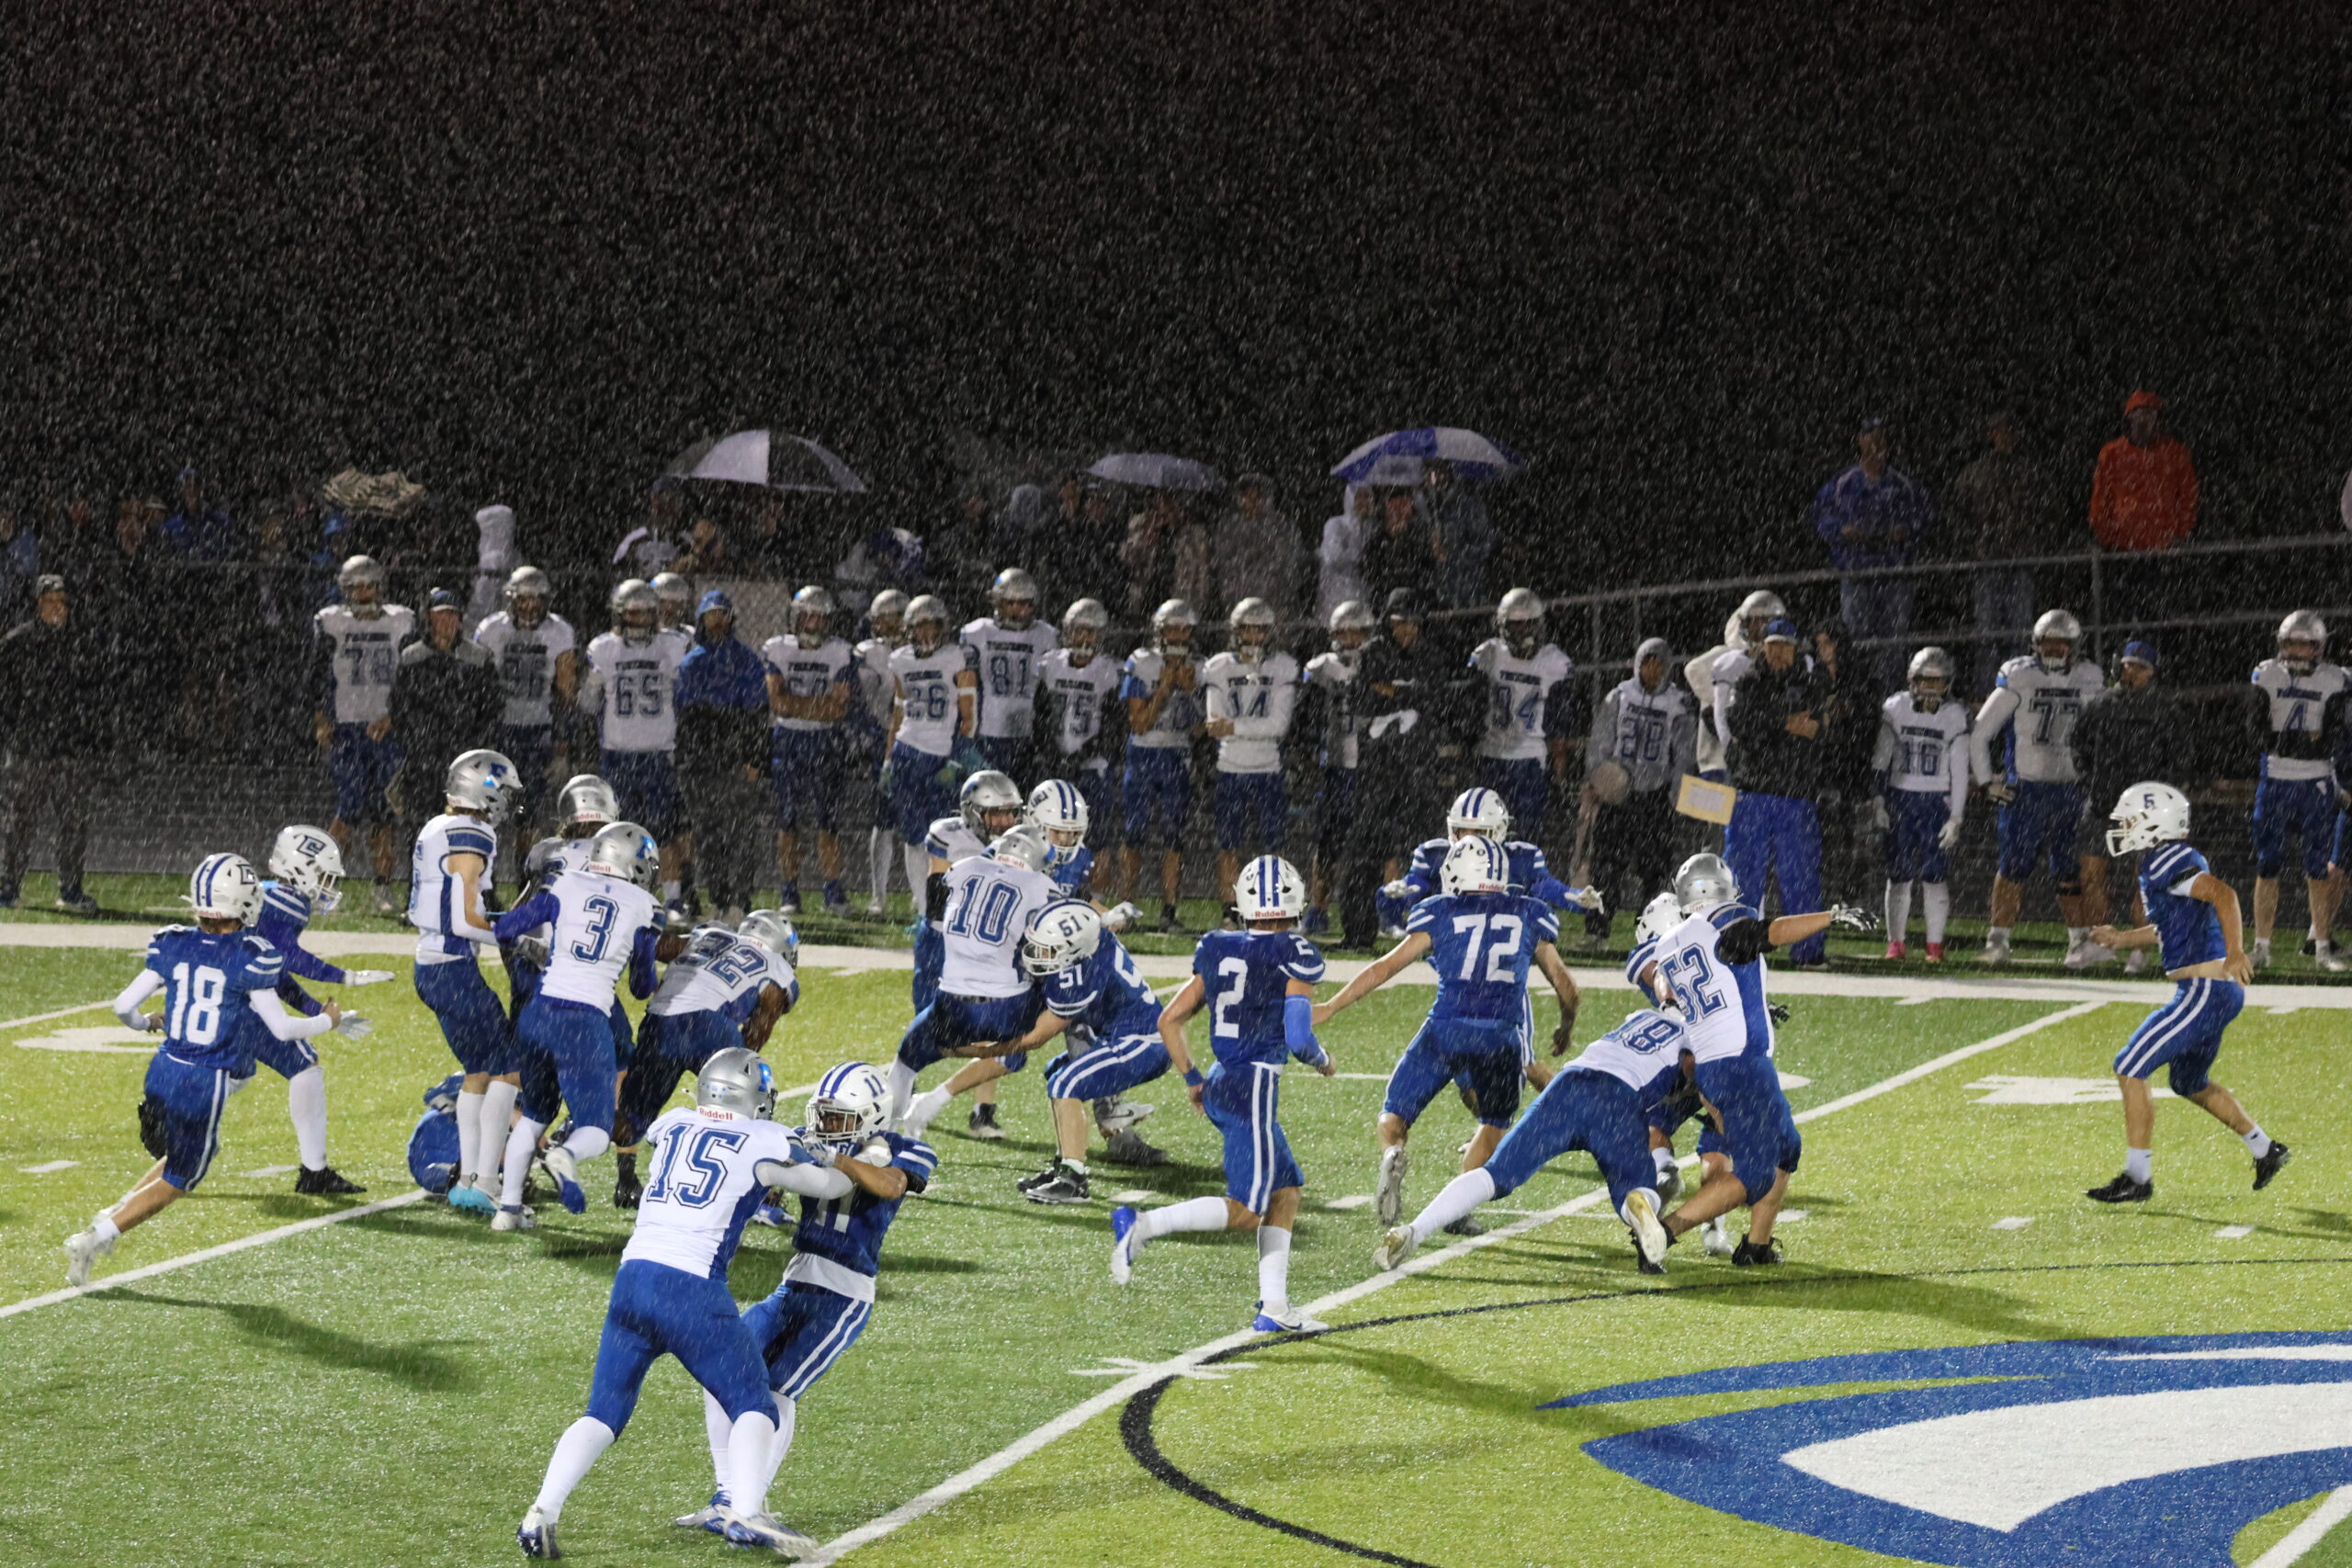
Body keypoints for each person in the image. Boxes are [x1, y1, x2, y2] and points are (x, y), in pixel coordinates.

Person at [514, 1050, 815, 1559]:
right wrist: (842, 1160)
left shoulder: (672, 1123)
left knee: (603, 1414)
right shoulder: (765, 1137)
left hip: (633, 1282)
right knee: (753, 1403)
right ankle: (745, 1512)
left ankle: (541, 1513)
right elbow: (820, 1179)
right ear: (752, 1097)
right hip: (691, 1288)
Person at [677, 1064, 938, 1555]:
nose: (826, 1127)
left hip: (842, 1291)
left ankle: (751, 1507)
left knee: (777, 1388)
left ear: (872, 1115)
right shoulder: (813, 1138)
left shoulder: (903, 1149)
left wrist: (835, 1159)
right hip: (794, 1280)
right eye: (823, 1116)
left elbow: (889, 1185)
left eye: (839, 1119)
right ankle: (727, 1496)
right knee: (720, 1368)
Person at [63, 855, 360, 1287]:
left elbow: (122, 1006)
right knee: (181, 1180)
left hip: (163, 1067)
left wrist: (146, 1023)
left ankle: (111, 1216)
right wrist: (326, 1021)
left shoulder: (172, 942)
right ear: (245, 902)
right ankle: (97, 1236)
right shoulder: (250, 954)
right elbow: (281, 1029)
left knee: (178, 1157)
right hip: (205, 1078)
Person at [1110, 856, 1333, 1334]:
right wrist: (1322, 1059)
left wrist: (1193, 1079)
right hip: (1251, 1086)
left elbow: (1169, 1020)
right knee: (1247, 1211)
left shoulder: (1218, 945)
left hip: (1221, 1081)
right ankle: (1143, 1225)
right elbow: (1299, 1039)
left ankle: (1274, 1307)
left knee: (1286, 1191)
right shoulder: (1294, 951)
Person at [1317, 837, 1582, 1230]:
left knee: (1395, 1113)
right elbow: (1566, 987)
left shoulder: (1439, 911)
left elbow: (1383, 968)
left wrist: (1331, 1006)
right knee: (1494, 1123)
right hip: (1500, 1036)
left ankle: (1392, 1153)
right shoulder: (1529, 912)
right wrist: (1565, 1026)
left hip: (1445, 1029)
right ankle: (1456, 1209)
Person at [1634, 853, 1872, 1264]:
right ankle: (1662, 1233)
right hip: (1740, 1063)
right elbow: (1769, 932)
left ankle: (1756, 1247)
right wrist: (1830, 916)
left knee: (1786, 1147)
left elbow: (1681, 990)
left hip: (1716, 1064)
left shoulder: (1671, 942)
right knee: (1754, 1174)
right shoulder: (1722, 921)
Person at [2086, 784, 2288, 1203]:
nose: (2124, 827)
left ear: (2153, 823)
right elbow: (2170, 926)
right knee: (2187, 1081)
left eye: (2130, 820)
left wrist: (2236, 950)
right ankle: (2265, 1149)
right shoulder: (2164, 860)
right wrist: (2122, 939)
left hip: (2204, 990)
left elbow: (2223, 894)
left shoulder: (2168, 859)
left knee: (2130, 1066)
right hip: (2213, 992)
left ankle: (2137, 1177)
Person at [1374, 1005, 1679, 1275]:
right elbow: (1692, 1076)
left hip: (1569, 1086)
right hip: (1618, 1101)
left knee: (1494, 1175)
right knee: (1637, 1188)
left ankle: (1414, 1230)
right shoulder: (1695, 1036)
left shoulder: (1643, 1016)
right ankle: (1638, 1205)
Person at [491, 821, 668, 1228]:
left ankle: (508, 1211)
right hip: (584, 1023)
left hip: (538, 1013)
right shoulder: (646, 908)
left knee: (535, 1114)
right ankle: (564, 1154)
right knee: (596, 1129)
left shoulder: (565, 883)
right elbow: (641, 987)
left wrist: (540, 946)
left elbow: (505, 929)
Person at [611, 910, 800, 1208]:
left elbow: (656, 945)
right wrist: (740, 1068)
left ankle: (593, 1140)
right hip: (711, 1026)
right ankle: (759, 1193)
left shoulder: (709, 934)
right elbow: (755, 1038)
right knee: (751, 1098)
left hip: (660, 1020)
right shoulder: (776, 966)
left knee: (631, 1117)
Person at [408, 750, 524, 1214]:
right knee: (509, 1069)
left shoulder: (437, 825)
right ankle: (486, 1180)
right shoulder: (471, 832)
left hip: (431, 964)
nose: (507, 803)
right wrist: (516, 937)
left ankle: (468, 1182)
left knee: (477, 1071)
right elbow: (463, 919)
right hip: (452, 967)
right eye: (503, 792)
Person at [887, 825, 1058, 1134]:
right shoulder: (1042, 887)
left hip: (951, 1001)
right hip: (1006, 1006)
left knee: (905, 1062)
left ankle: (882, 1137)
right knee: (1022, 1045)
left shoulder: (964, 868)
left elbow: (937, 907)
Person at [249, 825, 391, 1194]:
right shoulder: (285, 903)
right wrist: (345, 977)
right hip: (242, 1002)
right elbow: (289, 958)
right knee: (302, 1066)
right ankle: (314, 1173)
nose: (328, 885)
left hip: (241, 996)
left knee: (233, 1072)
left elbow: (275, 974)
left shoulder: (269, 894)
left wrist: (320, 1012)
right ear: (301, 869)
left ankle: (164, 1115)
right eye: (323, 875)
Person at [1969, 609, 2109, 965]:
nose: (2055, 649)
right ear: (2035, 643)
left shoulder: (2090, 677)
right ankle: (1998, 941)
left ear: (2075, 646)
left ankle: (2078, 942)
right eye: (2049, 643)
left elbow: (2104, 734)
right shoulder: (2020, 675)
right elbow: (1981, 732)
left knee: (2069, 868)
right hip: (2026, 789)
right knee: (2013, 866)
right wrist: (1985, 781)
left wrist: (2100, 778)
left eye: (2062, 643)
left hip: (2071, 788)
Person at [1344, 588, 1465, 943]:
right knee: (1365, 849)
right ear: (1389, 622)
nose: (1407, 630)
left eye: (1412, 623)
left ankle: (1435, 930)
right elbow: (1359, 699)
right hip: (1379, 767)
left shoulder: (1431, 655)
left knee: (1429, 849)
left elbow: (1436, 701)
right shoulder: (1372, 652)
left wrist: (1391, 692)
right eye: (1400, 622)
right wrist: (1407, 695)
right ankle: (1359, 931)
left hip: (1417, 765)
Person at [1720, 618, 1832, 964]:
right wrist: (1784, 724)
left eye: (1785, 646)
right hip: (1752, 793)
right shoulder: (1748, 681)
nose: (1779, 653)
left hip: (1794, 794)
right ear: (1763, 647)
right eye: (1773, 646)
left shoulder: (1811, 685)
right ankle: (1735, 948)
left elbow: (1816, 730)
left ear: (1796, 649)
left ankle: (1809, 953)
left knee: (1801, 879)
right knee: (1741, 878)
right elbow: (1738, 722)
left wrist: (1768, 727)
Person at [2242, 612, 2349, 969]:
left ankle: (2321, 948)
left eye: (2304, 644)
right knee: (2267, 864)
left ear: (2318, 647)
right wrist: (2304, 741)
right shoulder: (2266, 674)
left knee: (2317, 868)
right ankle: (2261, 948)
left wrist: (2285, 740)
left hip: (2315, 784)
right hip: (2274, 781)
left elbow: (2330, 740)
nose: (2297, 651)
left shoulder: (2334, 679)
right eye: (2291, 643)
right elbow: (2255, 734)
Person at [0, 574, 112, 912]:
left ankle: (71, 889)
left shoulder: (81, 642)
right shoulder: (18, 642)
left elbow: (95, 692)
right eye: (50, 600)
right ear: (38, 604)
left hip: (69, 749)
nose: (57, 607)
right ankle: (7, 886)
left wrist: (91, 735)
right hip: (29, 748)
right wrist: (15, 731)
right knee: (19, 821)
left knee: (73, 821)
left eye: (61, 601)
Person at [2070, 641, 2182, 976]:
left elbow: (2179, 757)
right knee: (2090, 875)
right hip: (2103, 802)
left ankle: (2137, 950)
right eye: (2128, 665)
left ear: (2152, 672)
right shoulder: (2101, 704)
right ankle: (2101, 944)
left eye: (2140, 667)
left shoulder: (2165, 709)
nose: (2131, 672)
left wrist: (2161, 794)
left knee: (2143, 882)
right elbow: (2079, 745)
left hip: (2147, 807)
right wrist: (2090, 781)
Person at [311, 555, 414, 912]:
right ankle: (323, 884)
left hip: (385, 727)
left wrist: (394, 715)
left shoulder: (401, 620)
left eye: (370, 586)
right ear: (346, 590)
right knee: (350, 806)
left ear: (381, 587)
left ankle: (382, 888)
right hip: (347, 726)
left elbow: (410, 678)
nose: (365, 593)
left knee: (385, 812)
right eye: (357, 587)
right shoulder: (331, 621)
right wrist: (321, 719)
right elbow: (316, 674)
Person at [582, 579, 692, 910]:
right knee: (618, 832)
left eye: (645, 613)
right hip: (618, 753)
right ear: (619, 614)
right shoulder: (603, 648)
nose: (640, 620)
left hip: (659, 753)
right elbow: (587, 701)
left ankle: (673, 899)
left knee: (664, 831)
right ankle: (622, 895)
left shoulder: (673, 644)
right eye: (633, 613)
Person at [1577, 637, 1695, 946]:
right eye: (1647, 662)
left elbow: (1684, 753)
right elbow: (1601, 740)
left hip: (1655, 795)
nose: (1653, 670)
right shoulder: (1620, 696)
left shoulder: (1678, 703)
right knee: (1606, 866)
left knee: (1654, 870)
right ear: (1638, 664)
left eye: (1659, 664)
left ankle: (1650, 933)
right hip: (1619, 795)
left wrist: (1677, 791)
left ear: (1667, 668)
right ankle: (1597, 931)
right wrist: (1597, 777)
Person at [1809, 418, 1934, 689]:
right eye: (1870, 438)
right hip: (1857, 573)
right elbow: (1820, 518)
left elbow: (1925, 517)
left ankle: (1890, 693)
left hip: (1894, 573)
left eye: (1880, 438)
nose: (1876, 444)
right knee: (1856, 637)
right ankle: (1859, 691)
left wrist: (1905, 530)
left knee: (1893, 638)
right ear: (1860, 441)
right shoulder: (1843, 483)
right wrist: (1843, 531)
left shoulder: (1902, 484)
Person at [673, 590, 768, 921]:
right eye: (710, 615)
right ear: (701, 619)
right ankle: (718, 897)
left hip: (735, 757)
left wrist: (754, 759)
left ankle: (740, 901)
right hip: (701, 760)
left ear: (730, 618)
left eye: (721, 614)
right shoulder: (691, 663)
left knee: (741, 833)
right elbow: (685, 719)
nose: (716, 621)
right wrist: (688, 761)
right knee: (708, 835)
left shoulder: (746, 660)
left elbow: (757, 715)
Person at [763, 585, 856, 919]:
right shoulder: (778, 648)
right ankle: (790, 891)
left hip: (824, 741)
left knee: (827, 822)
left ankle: (833, 891)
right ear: (796, 617)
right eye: (808, 615)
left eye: (820, 616)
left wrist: (797, 705)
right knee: (787, 821)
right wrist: (819, 706)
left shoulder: (840, 651)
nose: (814, 622)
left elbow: (839, 709)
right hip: (788, 741)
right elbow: (777, 703)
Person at [884, 593, 981, 913]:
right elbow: (898, 712)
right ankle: (926, 910)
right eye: (920, 626)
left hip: (940, 755)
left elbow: (969, 717)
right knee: (913, 836)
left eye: (932, 626)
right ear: (909, 629)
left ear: (943, 627)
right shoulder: (900, 659)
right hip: (906, 752)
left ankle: (949, 907)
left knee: (945, 835)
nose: (927, 633)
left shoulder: (957, 657)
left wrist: (955, 760)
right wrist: (888, 760)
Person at [1201, 597, 1301, 898]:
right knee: (1228, 846)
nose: (1254, 636)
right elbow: (1214, 725)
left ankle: (1274, 906)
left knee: (1274, 846)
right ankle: (1231, 910)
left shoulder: (1283, 666)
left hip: (1268, 768)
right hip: (1230, 768)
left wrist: (1234, 727)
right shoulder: (1219, 666)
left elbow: (1279, 726)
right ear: (1236, 631)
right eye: (1248, 629)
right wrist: (1250, 728)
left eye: (1260, 629)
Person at [1874, 649, 1970, 961]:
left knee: (1935, 876)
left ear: (1948, 683)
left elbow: (1959, 770)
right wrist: (1878, 801)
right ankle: (1896, 943)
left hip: (1936, 801)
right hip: (1900, 797)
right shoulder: (1896, 707)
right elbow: (1881, 759)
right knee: (1899, 875)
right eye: (1925, 680)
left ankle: (1934, 945)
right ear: (1912, 681)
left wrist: (1956, 817)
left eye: (1937, 682)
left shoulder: (1954, 715)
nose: (1930, 688)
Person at [1945, 411, 2051, 693]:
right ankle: (1987, 691)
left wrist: (2032, 544)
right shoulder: (1973, 474)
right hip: (1987, 562)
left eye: (2009, 430)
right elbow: (1957, 517)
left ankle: (2019, 689)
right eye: (1999, 430)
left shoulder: (2029, 472)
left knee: (2019, 631)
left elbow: (2044, 514)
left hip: (2020, 560)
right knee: (1988, 633)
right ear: (1991, 435)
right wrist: (1971, 548)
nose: (2005, 435)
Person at [471, 566, 578, 837]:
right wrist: (480, 734)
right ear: (511, 599)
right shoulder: (491, 628)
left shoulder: (559, 631)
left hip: (538, 728)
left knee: (527, 814)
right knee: (487, 811)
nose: (530, 606)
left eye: (536, 599)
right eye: (523, 599)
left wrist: (562, 744)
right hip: (500, 727)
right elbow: (478, 685)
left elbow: (566, 692)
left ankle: (525, 862)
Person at [1118, 599, 1204, 930]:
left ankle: (1169, 911)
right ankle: (1126, 906)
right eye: (1172, 628)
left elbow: (1201, 728)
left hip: (1177, 754)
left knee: (1174, 836)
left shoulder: (1200, 666)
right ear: (1160, 630)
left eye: (1184, 629)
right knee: (1134, 834)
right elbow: (1138, 724)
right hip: (1143, 754)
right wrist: (1165, 688)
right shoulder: (1142, 661)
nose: (1178, 635)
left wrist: (1191, 691)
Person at [390, 588, 504, 818]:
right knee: (421, 821)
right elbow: (399, 707)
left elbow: (492, 707)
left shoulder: (479, 657)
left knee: (465, 821)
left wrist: (478, 744)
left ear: (460, 619)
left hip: (465, 756)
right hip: (423, 757)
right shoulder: (412, 657)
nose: (447, 620)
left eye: (452, 614)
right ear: (429, 617)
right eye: (441, 614)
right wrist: (414, 743)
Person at [1471, 588, 1577, 834]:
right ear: (1503, 626)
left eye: (1529, 623)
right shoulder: (1490, 654)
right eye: (1517, 624)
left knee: (1524, 836)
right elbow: (1471, 705)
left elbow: (1560, 720)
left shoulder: (1552, 661)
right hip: (1492, 754)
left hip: (1529, 759)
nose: (1524, 631)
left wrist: (1559, 769)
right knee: (1488, 835)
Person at [1300, 600, 1374, 934]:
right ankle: (1318, 909)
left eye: (1357, 632)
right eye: (1344, 633)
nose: (1351, 639)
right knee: (1327, 841)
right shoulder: (1322, 668)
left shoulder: (1379, 663)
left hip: (1371, 765)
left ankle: (1382, 910)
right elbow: (1306, 718)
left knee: (1377, 841)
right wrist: (1310, 756)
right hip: (1336, 765)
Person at [1035, 597, 1124, 865]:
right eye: (1078, 630)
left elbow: (1112, 728)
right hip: (1055, 764)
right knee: (1048, 838)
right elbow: (1039, 717)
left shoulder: (1109, 670)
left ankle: (1094, 890)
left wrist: (1077, 758)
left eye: (1090, 631)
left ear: (1101, 634)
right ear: (1067, 630)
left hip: (1093, 767)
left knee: (1096, 842)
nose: (1084, 637)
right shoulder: (1051, 664)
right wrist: (1053, 756)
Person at [1808, 620, 1883, 908]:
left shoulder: (1860, 675)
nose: (1824, 650)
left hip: (1854, 764)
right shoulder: (1815, 678)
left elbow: (1870, 719)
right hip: (1825, 765)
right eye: (1820, 645)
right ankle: (1830, 895)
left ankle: (1853, 896)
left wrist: (1847, 712)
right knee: (1828, 834)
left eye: (1828, 643)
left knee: (1857, 837)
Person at [849, 589, 910, 916]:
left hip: (917, 740)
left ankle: (920, 893)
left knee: (917, 821)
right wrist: (870, 737)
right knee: (883, 819)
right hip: (882, 741)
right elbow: (862, 702)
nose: (893, 623)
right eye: (887, 617)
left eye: (898, 616)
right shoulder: (867, 652)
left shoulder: (921, 652)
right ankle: (879, 895)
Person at [962, 567, 1058, 775]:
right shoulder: (977, 632)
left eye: (1023, 603)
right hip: (987, 732)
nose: (1017, 609)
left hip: (1026, 735)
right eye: (1010, 603)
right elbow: (965, 688)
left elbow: (1049, 694)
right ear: (997, 602)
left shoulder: (1045, 635)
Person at [1684, 590, 1785, 782]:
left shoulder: (1769, 662)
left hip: (1749, 761)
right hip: (1718, 763)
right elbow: (1693, 670)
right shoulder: (1728, 656)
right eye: (1757, 621)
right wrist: (1728, 707)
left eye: (1767, 621)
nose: (1761, 627)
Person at [2089, 390, 2199, 554]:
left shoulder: (2176, 453)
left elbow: (2188, 497)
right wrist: (2108, 539)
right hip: (2122, 548)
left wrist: (2180, 534)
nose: (2143, 420)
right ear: (2129, 419)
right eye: (2138, 414)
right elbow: (2100, 501)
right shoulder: (2111, 454)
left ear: (2158, 420)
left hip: (2166, 547)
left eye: (2149, 414)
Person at [1212, 474, 1305, 617]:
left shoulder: (1283, 527)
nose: (1253, 502)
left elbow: (1291, 563)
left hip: (1277, 605)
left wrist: (1282, 598)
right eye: (1247, 496)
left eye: (1258, 496)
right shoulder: (1229, 528)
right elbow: (1224, 566)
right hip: (1239, 604)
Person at [1426, 461, 1496, 611]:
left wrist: (1452, 554)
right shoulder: (1432, 507)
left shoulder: (1468, 505)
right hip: (1444, 595)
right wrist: (1432, 545)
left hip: (1469, 593)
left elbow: (1485, 545)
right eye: (1430, 473)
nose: (1433, 478)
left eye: (1437, 472)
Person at [1316, 485, 1374, 623]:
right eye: (1358, 496)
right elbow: (1333, 557)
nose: (1363, 502)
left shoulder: (1373, 527)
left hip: (1362, 598)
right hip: (1336, 599)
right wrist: (1359, 554)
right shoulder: (1335, 524)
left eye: (1367, 496)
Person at [612, 478, 684, 579]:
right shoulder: (634, 539)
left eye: (670, 501)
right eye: (657, 500)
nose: (663, 507)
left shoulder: (686, 541)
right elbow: (617, 572)